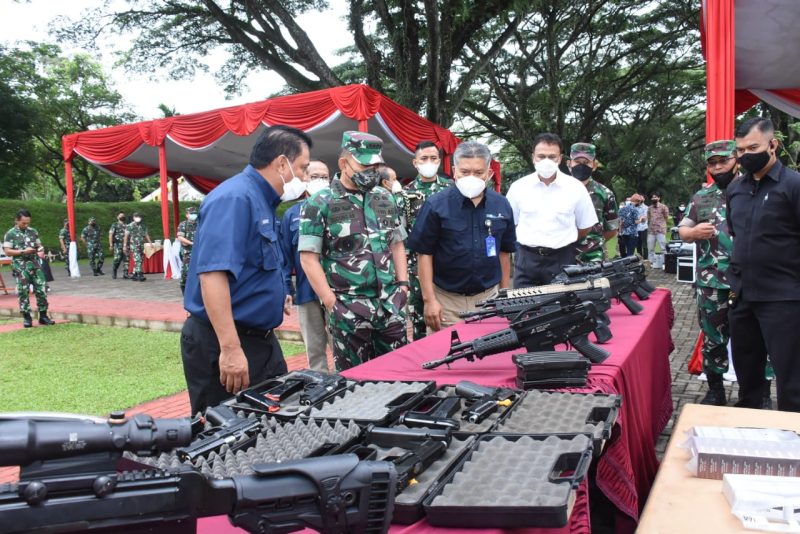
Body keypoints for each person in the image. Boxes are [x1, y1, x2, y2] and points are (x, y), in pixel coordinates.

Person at [182, 125, 308, 414]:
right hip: (227, 342)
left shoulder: (261, 201)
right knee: (224, 434)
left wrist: (274, 294)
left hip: (259, 340)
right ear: (281, 163)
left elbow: (255, 263)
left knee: (272, 423)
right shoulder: (235, 199)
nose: (302, 177)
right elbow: (213, 275)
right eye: (301, 168)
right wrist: (230, 349)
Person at [299, 131, 409, 371]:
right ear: (343, 163)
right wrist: (332, 304)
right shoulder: (319, 203)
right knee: (354, 382)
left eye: (376, 165)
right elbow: (309, 258)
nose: (372, 171)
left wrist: (403, 286)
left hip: (390, 306)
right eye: (365, 164)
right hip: (348, 309)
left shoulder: (385, 198)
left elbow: (398, 243)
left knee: (402, 377)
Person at [727, 117, 800, 412]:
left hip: (784, 297)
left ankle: (792, 441)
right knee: (747, 377)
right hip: (743, 296)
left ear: (773, 145)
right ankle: (750, 433)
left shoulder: (793, 185)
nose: (745, 155)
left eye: (752, 147)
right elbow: (736, 233)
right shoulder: (735, 189)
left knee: (791, 379)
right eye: (741, 150)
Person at [408, 141, 516, 330]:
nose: (471, 177)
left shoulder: (502, 205)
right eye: (465, 172)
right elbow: (424, 254)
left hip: (488, 299)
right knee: (444, 356)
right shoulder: (436, 205)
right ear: (454, 171)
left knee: (489, 355)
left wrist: (504, 293)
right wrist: (429, 300)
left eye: (478, 172)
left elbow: (504, 252)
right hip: (447, 302)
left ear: (489, 173)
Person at [678, 140, 737, 406]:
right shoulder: (701, 197)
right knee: (713, 339)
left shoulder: (751, 190)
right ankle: (715, 391)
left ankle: (759, 393)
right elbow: (683, 229)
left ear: (736, 159)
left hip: (748, 281)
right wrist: (692, 233)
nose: (717, 167)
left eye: (723, 161)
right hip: (712, 281)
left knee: (757, 340)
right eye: (712, 163)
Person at [505, 132, 597, 287]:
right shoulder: (518, 187)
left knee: (562, 308)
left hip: (562, 259)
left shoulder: (575, 188)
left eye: (552, 156)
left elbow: (585, 226)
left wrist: (563, 238)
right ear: (533, 157)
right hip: (526, 260)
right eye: (541, 156)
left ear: (560, 158)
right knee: (522, 307)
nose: (546, 161)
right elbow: (510, 224)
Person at [280, 159, 333, 373]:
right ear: (304, 179)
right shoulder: (292, 215)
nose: (320, 180)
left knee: (342, 346)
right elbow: (283, 256)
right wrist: (286, 289)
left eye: (324, 176)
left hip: (337, 291)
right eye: (314, 176)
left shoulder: (342, 209)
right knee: (314, 349)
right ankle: (322, 390)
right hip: (306, 292)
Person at [403, 141, 452, 341]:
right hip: (416, 271)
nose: (429, 162)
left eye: (433, 158)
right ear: (415, 163)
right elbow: (401, 237)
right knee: (420, 323)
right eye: (424, 159)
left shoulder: (452, 190)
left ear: (439, 162)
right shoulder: (403, 195)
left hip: (448, 266)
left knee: (449, 320)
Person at [3, 209, 56, 328]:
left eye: (28, 222)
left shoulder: (33, 232)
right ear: (16, 221)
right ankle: (27, 317)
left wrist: (41, 249)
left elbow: (39, 245)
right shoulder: (10, 233)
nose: (26, 225)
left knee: (41, 289)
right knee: (23, 291)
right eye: (23, 223)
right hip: (20, 265)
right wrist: (22, 251)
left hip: (35, 264)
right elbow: (7, 251)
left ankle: (43, 316)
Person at [568, 143, 619, 263]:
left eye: (586, 162)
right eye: (577, 161)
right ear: (569, 164)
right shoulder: (557, 190)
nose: (581, 166)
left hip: (593, 259)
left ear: (594, 165)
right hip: (562, 257)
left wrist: (592, 244)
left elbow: (612, 230)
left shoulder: (605, 193)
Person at [124, 212, 152, 282]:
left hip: (141, 245)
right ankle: (139, 274)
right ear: (133, 217)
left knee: (141, 259)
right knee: (138, 259)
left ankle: (135, 274)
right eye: (136, 216)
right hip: (134, 245)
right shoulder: (130, 226)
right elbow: (126, 236)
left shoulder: (142, 226)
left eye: (139, 217)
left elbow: (146, 234)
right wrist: (124, 246)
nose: (138, 218)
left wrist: (150, 242)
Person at [176, 206, 198, 295]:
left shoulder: (199, 223)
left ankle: (196, 291)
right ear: (187, 215)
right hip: (187, 252)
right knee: (186, 272)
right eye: (191, 213)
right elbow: (180, 237)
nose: (194, 215)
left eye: (195, 213)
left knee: (198, 272)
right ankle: (184, 290)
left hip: (198, 252)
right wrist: (191, 243)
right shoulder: (183, 224)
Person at [646, 193, 670, 268]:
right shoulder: (649, 208)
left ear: (659, 198)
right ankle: (651, 263)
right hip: (651, 231)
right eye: (652, 197)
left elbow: (666, 217)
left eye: (655, 197)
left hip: (660, 230)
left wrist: (662, 225)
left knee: (663, 248)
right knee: (650, 249)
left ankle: (665, 263)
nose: (654, 198)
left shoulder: (663, 207)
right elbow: (649, 218)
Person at [108, 211, 129, 279]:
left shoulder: (127, 225)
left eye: (123, 215)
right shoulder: (114, 225)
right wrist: (111, 245)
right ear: (117, 217)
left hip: (126, 244)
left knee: (126, 259)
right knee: (117, 259)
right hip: (117, 244)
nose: (122, 217)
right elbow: (111, 234)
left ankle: (125, 274)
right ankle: (114, 270)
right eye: (121, 216)